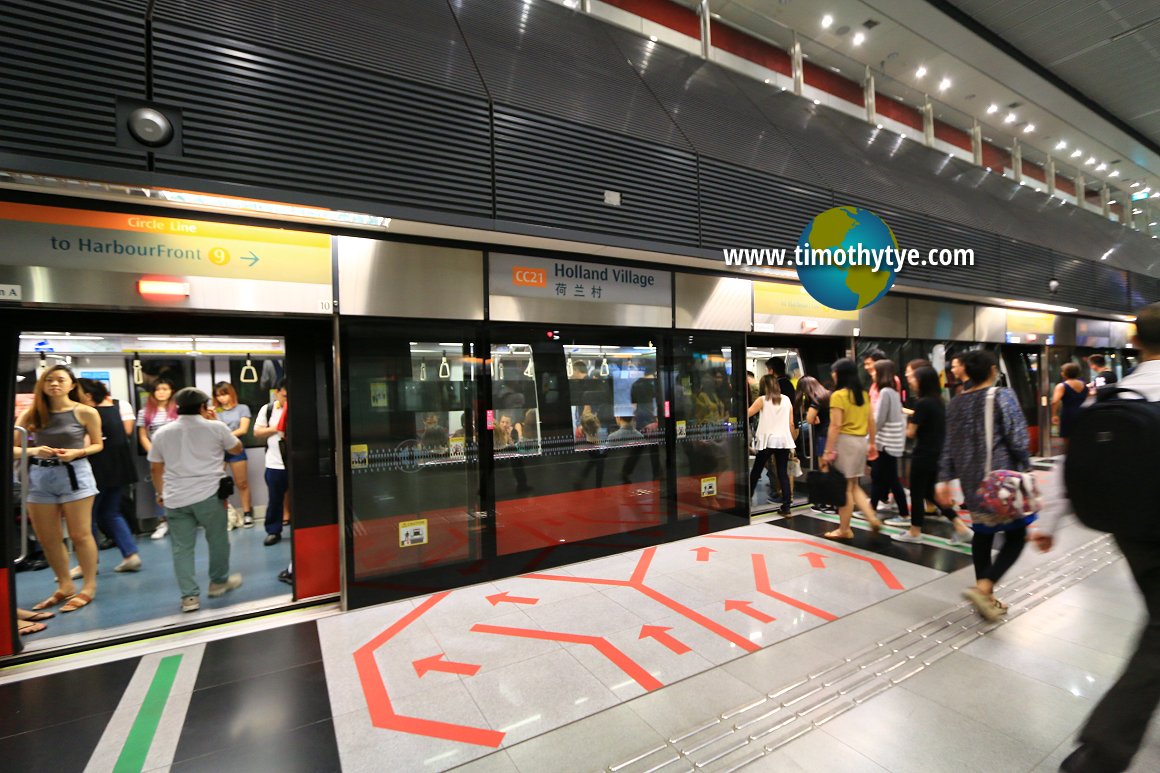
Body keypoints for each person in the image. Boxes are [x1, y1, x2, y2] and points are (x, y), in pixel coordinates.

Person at [1059, 302, 1160, 773]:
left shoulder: (1119, 392)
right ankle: (1102, 753)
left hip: (1135, 530)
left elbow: (1076, 461)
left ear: (1135, 342)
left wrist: (1046, 523)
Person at [936, 349, 1032, 621]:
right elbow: (1019, 440)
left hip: (972, 484)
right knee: (1016, 538)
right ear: (992, 370)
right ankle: (984, 586)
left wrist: (943, 478)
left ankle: (987, 599)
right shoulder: (1003, 396)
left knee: (983, 535)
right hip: (1002, 481)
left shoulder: (955, 403)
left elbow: (949, 446)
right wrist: (1026, 466)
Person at [14, 365, 104, 613]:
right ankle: (65, 585)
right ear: (42, 385)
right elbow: (12, 449)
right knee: (48, 537)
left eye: (61, 380)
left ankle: (88, 586)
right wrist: (33, 450)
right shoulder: (31, 414)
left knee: (80, 534)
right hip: (40, 476)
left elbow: (97, 444)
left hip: (74, 473)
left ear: (72, 385)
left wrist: (79, 452)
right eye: (49, 380)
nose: (55, 384)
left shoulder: (86, 412)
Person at [148, 388, 244, 612]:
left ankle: (189, 598)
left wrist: (160, 493)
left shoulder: (162, 432)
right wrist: (215, 421)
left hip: (175, 497)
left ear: (177, 407)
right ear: (203, 407)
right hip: (209, 494)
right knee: (218, 539)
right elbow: (237, 448)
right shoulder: (216, 427)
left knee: (182, 548)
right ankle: (218, 583)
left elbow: (155, 467)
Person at [892, 366, 972, 545]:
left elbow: (911, 432)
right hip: (937, 453)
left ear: (922, 382)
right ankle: (961, 527)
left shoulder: (922, 403)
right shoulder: (940, 401)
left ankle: (914, 532)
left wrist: (903, 426)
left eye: (914, 379)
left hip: (923, 454)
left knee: (917, 492)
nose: (910, 382)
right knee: (930, 493)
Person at [77, 379, 141, 573]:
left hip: (98, 470)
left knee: (87, 517)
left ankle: (88, 564)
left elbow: (85, 444)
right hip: (119, 469)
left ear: (87, 396)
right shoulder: (115, 408)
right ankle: (131, 555)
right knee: (111, 513)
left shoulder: (89, 414)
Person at [821, 358, 884, 539]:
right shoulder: (863, 395)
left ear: (841, 374)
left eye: (835, 372)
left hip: (845, 443)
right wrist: (871, 443)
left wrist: (827, 451)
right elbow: (871, 421)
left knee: (845, 489)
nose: (833, 375)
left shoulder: (838, 396)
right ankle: (871, 517)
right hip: (860, 442)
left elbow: (835, 426)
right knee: (854, 485)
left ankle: (844, 529)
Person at [747, 375, 797, 515]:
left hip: (767, 441)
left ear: (764, 386)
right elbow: (791, 423)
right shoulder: (786, 400)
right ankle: (786, 506)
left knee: (757, 470)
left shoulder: (762, 400)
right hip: (783, 441)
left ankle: (747, 499)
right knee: (782, 472)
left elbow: (747, 413)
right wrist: (792, 441)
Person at [868, 360, 910, 522]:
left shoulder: (885, 392)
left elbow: (879, 420)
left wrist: (868, 439)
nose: (872, 374)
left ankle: (904, 514)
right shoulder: (892, 392)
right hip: (891, 443)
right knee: (880, 476)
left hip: (886, 443)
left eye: (874, 371)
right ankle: (871, 509)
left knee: (889, 479)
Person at [137, 379, 178, 540]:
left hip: (176, 454)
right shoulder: (145, 412)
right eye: (158, 389)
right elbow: (143, 435)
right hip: (156, 455)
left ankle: (178, 520)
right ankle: (163, 521)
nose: (161, 392)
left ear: (170, 391)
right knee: (160, 489)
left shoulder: (177, 410)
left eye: (165, 388)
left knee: (177, 486)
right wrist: (153, 453)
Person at [213, 381, 253, 527]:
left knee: (242, 483)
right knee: (216, 483)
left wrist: (226, 437)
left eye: (224, 394)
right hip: (218, 450)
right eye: (218, 396)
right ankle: (220, 515)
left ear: (231, 393)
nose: (222, 398)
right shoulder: (215, 412)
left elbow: (243, 429)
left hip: (236, 447)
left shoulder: (242, 408)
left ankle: (247, 513)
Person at [254, 379, 289, 546]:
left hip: (297, 462)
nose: (287, 400)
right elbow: (257, 432)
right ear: (277, 392)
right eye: (284, 396)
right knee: (275, 499)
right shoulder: (268, 410)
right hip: (275, 463)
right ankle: (273, 531)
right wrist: (278, 427)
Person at [1052, 362, 1087, 449]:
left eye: (1062, 371)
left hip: (1068, 413)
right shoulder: (1084, 385)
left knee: (1068, 440)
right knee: (1081, 437)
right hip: (1083, 413)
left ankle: (1071, 458)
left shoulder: (1062, 386)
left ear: (1065, 373)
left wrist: (1054, 415)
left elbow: (1055, 401)